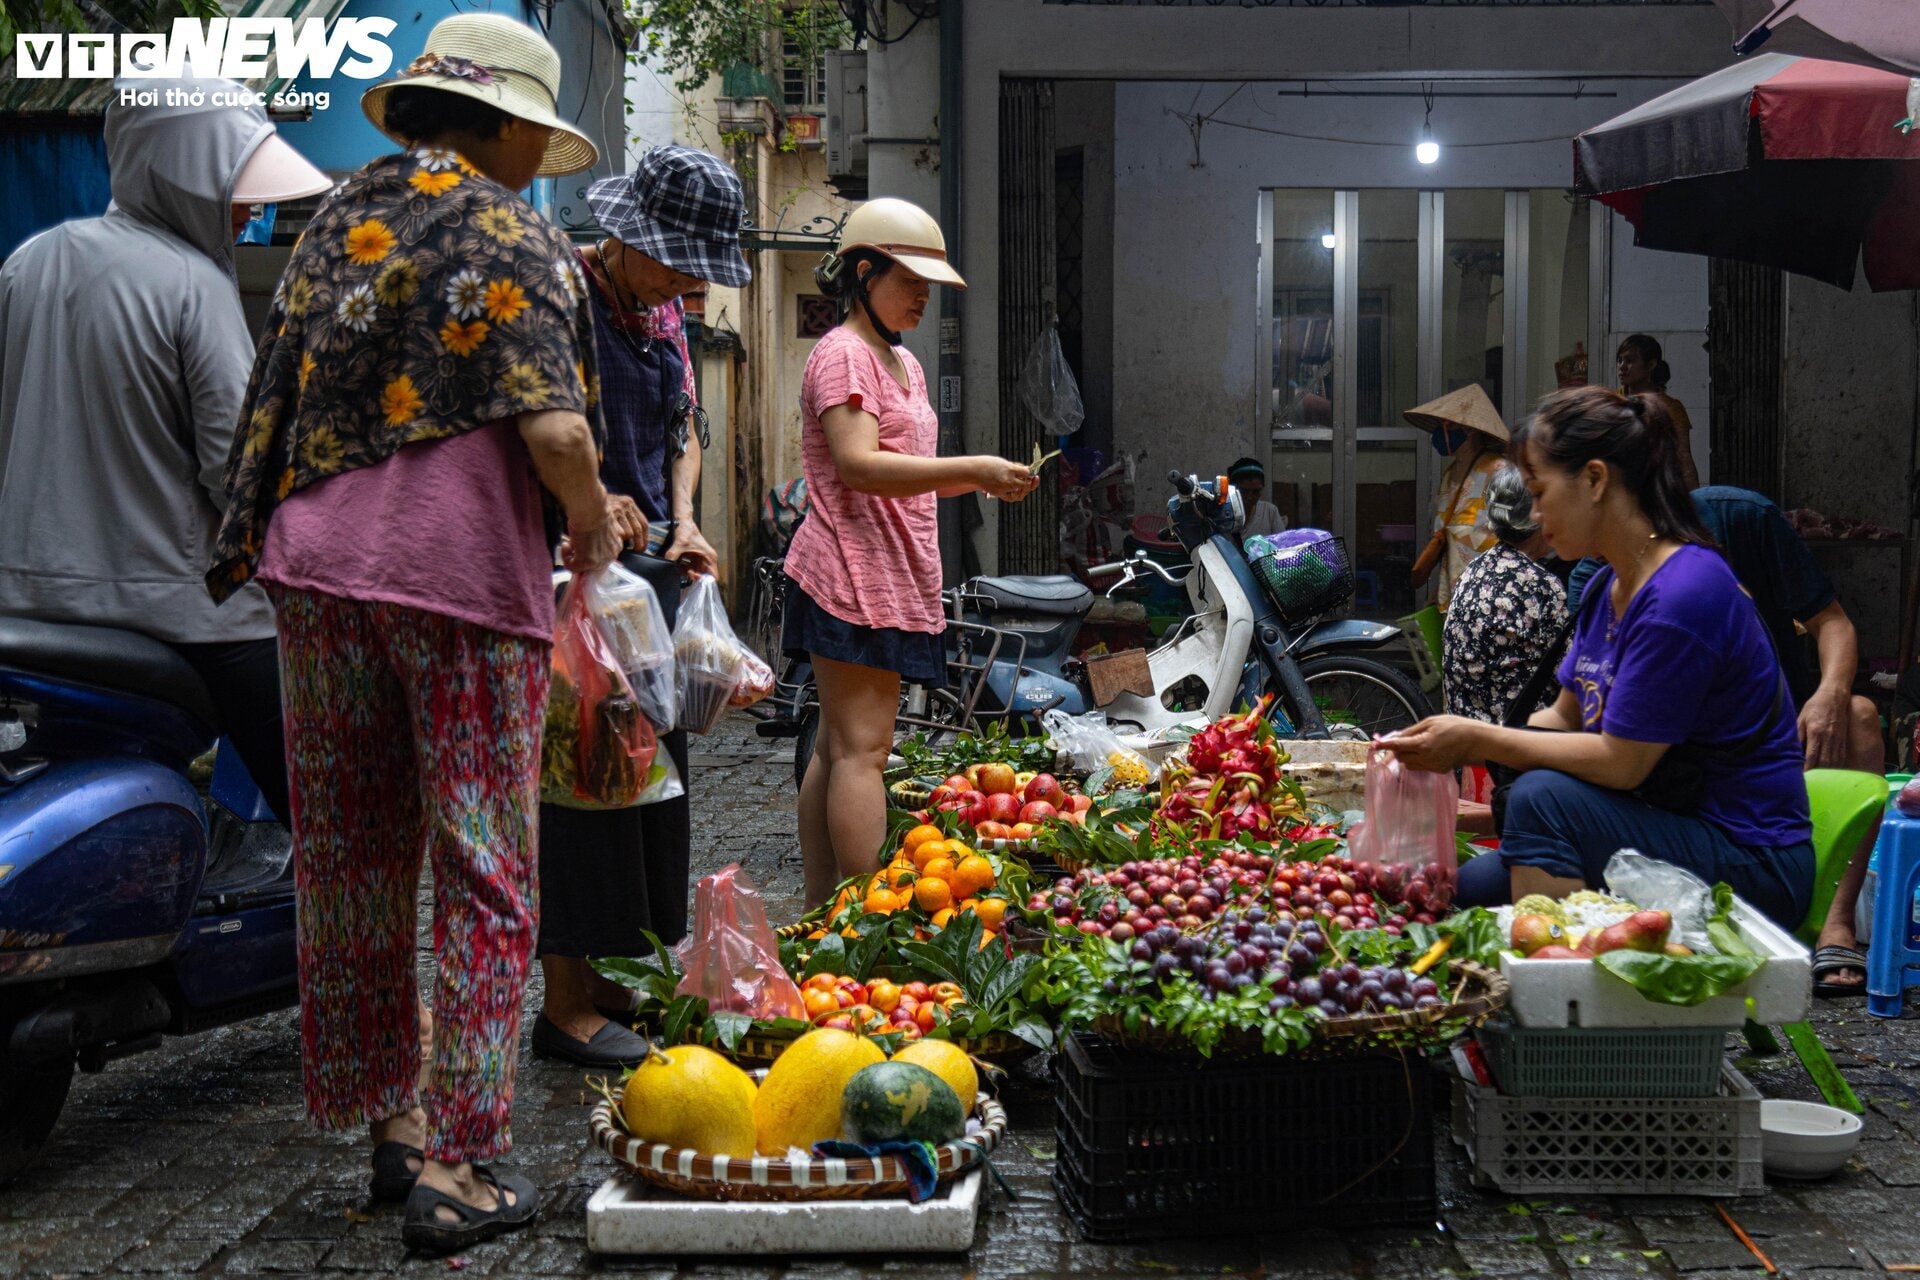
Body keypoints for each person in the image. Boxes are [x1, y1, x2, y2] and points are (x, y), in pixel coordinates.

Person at [206, 15, 645, 1253]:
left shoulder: (336, 220)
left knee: (352, 855)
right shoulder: (517, 231)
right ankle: (462, 1160)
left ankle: (390, 1118)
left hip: (319, 574)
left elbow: (275, 399)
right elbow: (557, 436)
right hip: (452, 580)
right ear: (507, 122)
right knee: (484, 862)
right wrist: (591, 527)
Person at [0, 78, 332, 825]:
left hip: (24, 605)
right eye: (235, 184)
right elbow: (237, 475)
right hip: (179, 614)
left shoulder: (26, 263)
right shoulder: (194, 283)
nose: (250, 210)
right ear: (186, 171)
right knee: (332, 808)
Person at [1383, 387, 1814, 930]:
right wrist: (1452, 762)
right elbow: (1563, 717)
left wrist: (1473, 738)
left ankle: (1556, 988)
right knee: (1435, 893)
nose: (1535, 515)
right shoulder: (1606, 583)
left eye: (1540, 493)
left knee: (1543, 800)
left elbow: (1621, 761)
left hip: (1748, 856)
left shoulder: (1682, 594)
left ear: (1593, 480)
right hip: (1657, 822)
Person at [529, 145, 751, 1068]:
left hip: (645, 580)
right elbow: (536, 428)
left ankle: (625, 981)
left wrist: (685, 515)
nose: (686, 277)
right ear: (624, 235)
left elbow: (680, 426)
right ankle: (565, 1004)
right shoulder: (561, 294)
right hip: (567, 574)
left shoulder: (662, 312)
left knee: (651, 786)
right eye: (674, 254)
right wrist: (592, 502)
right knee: (579, 787)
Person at [785, 198, 1039, 907]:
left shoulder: (902, 362)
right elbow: (859, 465)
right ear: (864, 272)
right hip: (848, 575)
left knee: (839, 748)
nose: (924, 294)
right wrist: (974, 467)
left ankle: (822, 910)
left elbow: (903, 470)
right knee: (861, 752)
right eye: (911, 279)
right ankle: (869, 916)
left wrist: (980, 478)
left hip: (892, 575)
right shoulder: (841, 355)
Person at [1441, 464, 1570, 726]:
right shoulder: (1542, 586)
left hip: (1465, 735)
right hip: (1515, 744)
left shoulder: (1473, 571)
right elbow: (1569, 677)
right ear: (1538, 518)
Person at [1404, 384, 1508, 612]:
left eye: (1447, 426)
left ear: (1469, 430)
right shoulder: (1450, 475)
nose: (1440, 433)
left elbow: (1515, 536)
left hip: (1489, 595)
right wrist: (1438, 591)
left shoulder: (1500, 471)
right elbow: (1449, 540)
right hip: (1452, 597)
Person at [1617, 334, 1698, 491]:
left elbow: (1684, 459)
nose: (1622, 366)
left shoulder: (1670, 408)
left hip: (1658, 490)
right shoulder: (1613, 403)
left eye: (1630, 360)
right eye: (1619, 360)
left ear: (1651, 365)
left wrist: (1694, 502)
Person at [1229, 457, 1285, 538]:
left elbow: (1283, 547)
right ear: (1232, 489)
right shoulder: (1221, 515)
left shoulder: (1269, 512)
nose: (1249, 497)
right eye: (1243, 492)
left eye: (1256, 492)